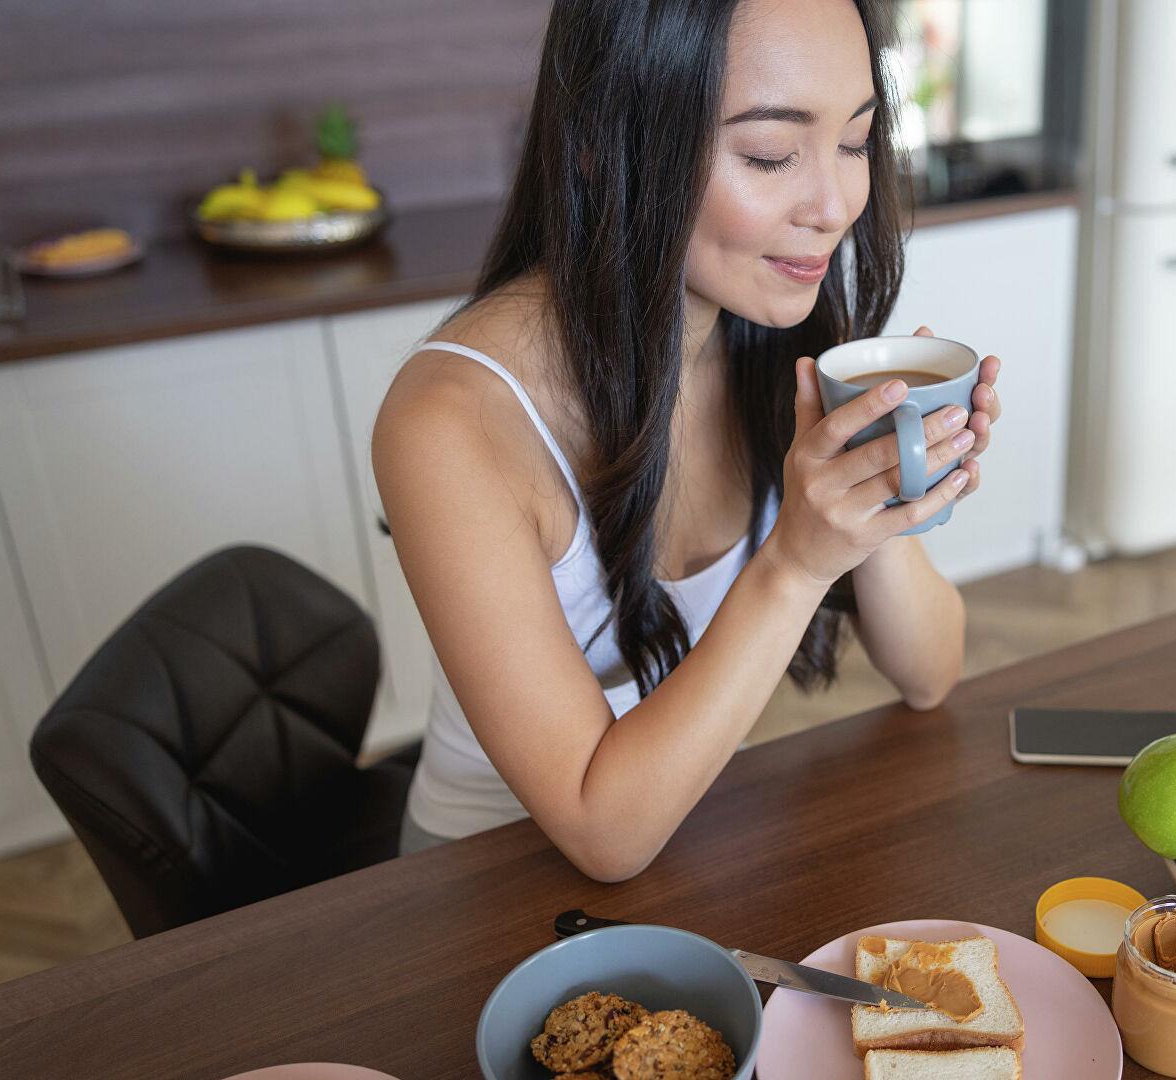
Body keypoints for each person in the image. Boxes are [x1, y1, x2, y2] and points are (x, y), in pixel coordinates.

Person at [372, 0, 1002, 879]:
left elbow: (932, 674)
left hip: (696, 839)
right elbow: (603, 833)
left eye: (856, 141)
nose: (835, 204)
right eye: (769, 153)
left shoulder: (775, 334)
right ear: (603, 140)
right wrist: (797, 562)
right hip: (492, 884)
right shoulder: (452, 421)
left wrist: (881, 490)